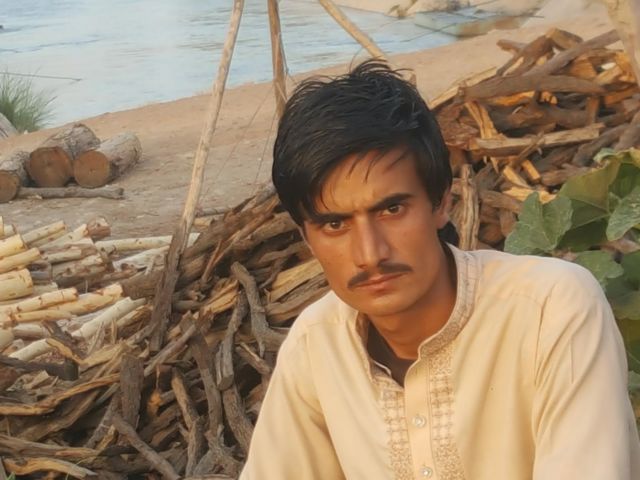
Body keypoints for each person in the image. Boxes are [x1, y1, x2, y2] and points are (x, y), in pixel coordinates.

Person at [239, 60, 640, 479]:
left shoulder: (549, 310)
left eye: (392, 209)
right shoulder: (317, 344)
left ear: (441, 203)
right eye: (335, 225)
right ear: (307, 239)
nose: (370, 254)